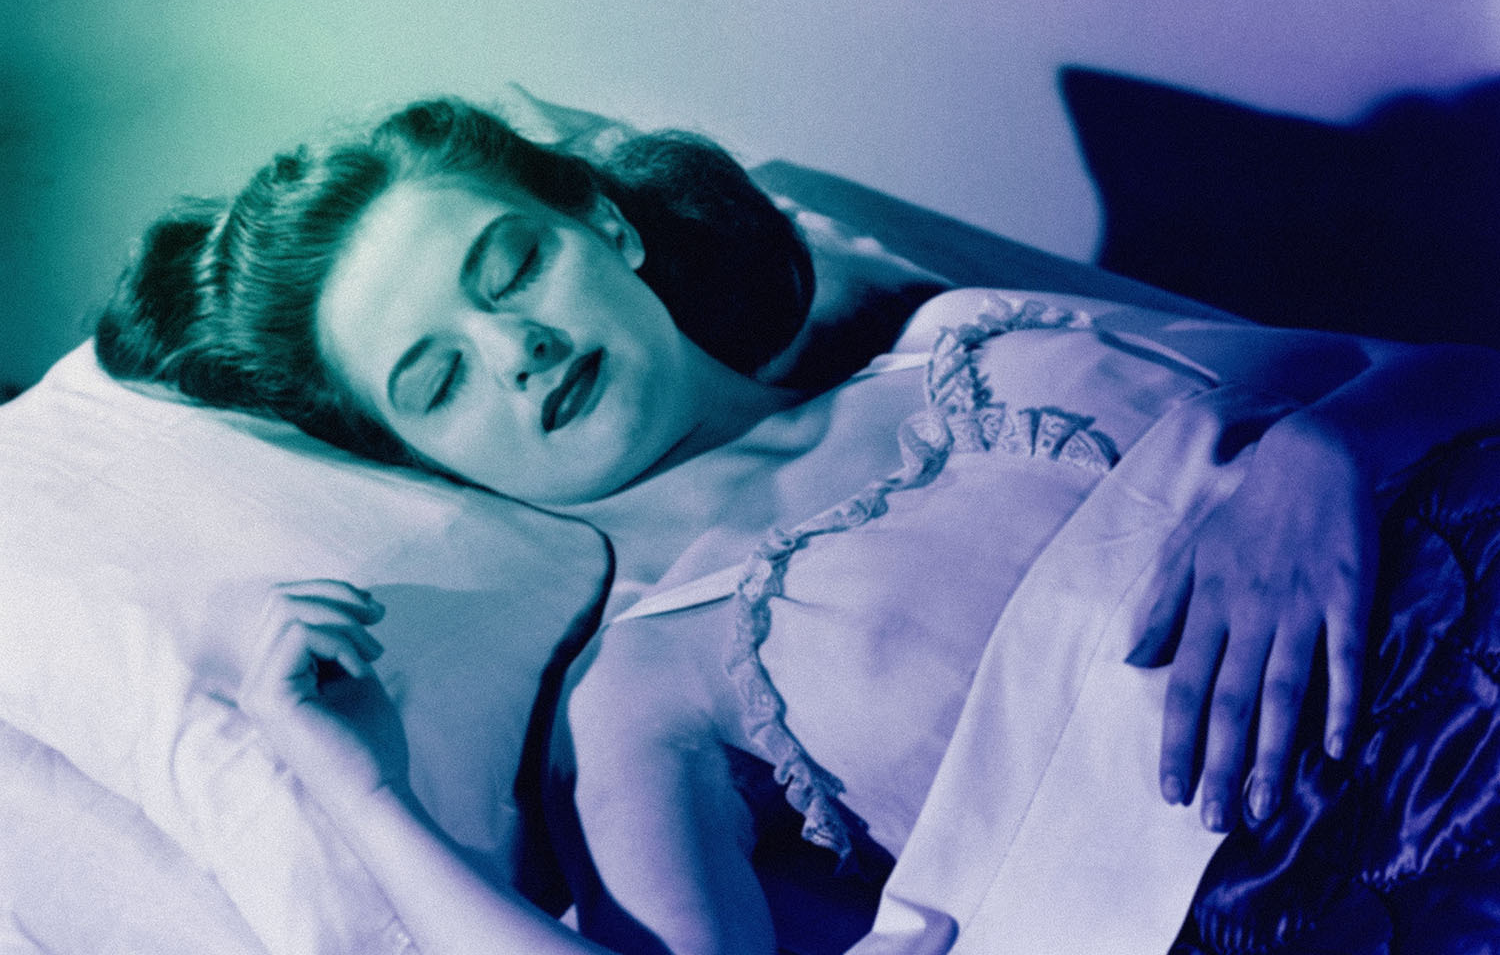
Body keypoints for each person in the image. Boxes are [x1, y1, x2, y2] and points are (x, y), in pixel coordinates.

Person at [97, 96, 1500, 954]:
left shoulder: (972, 331)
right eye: (438, 380)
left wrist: (1322, 452)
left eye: (510, 265)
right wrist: (357, 790)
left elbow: (1441, 375)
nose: (517, 351)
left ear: (605, 224)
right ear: (418, 458)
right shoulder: (643, 688)